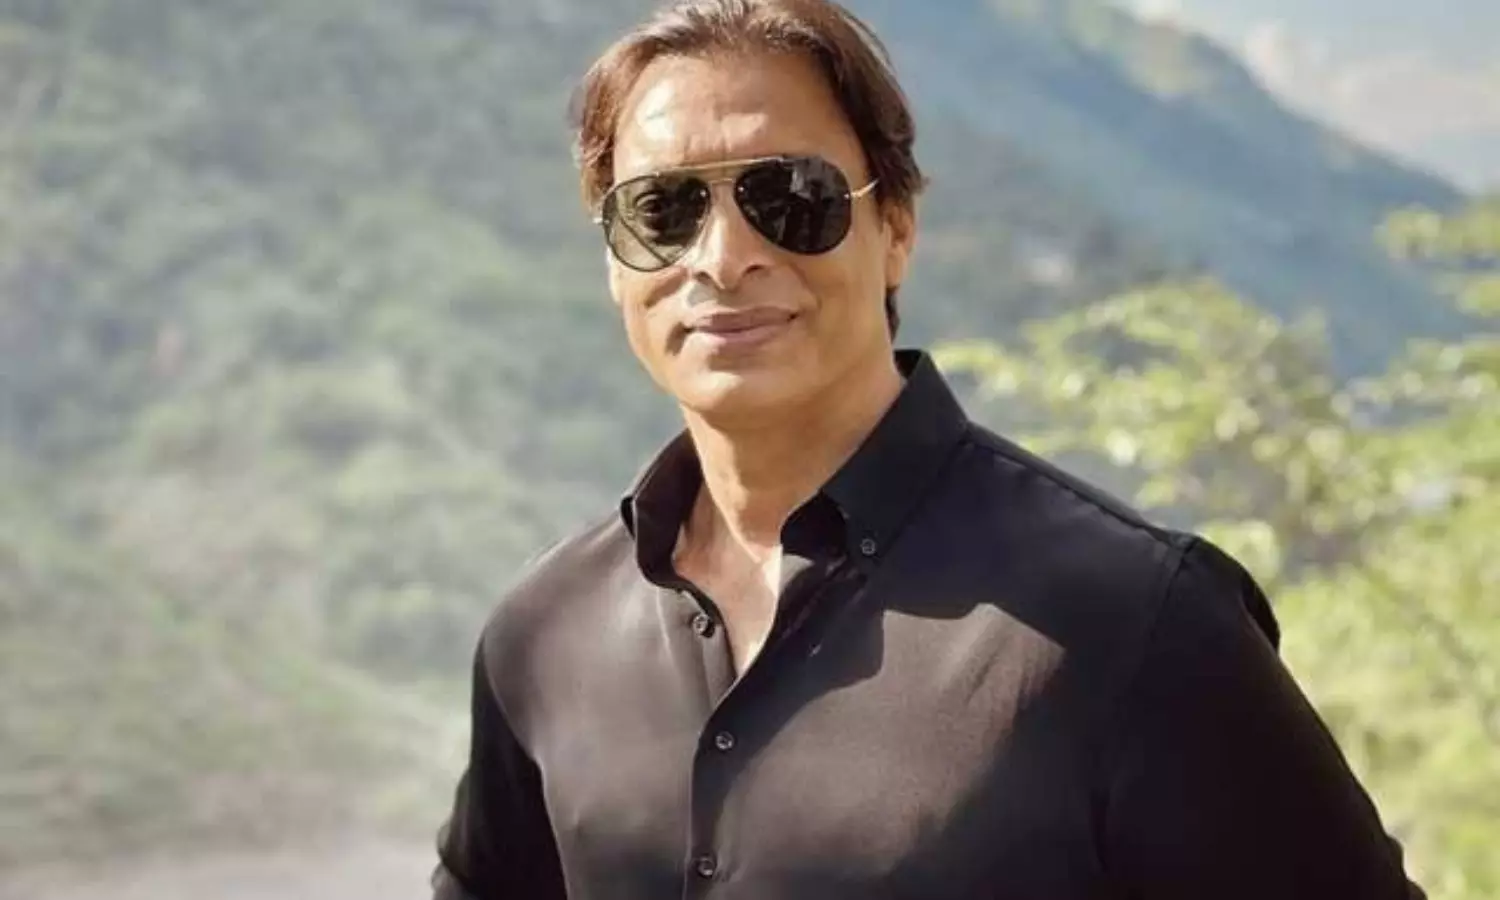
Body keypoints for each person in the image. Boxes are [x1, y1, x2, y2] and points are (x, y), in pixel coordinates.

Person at [432, 0, 1424, 897]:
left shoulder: (1134, 623)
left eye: (791, 196)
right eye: (663, 210)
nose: (724, 257)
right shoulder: (543, 637)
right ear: (615, 263)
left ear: (896, 228)